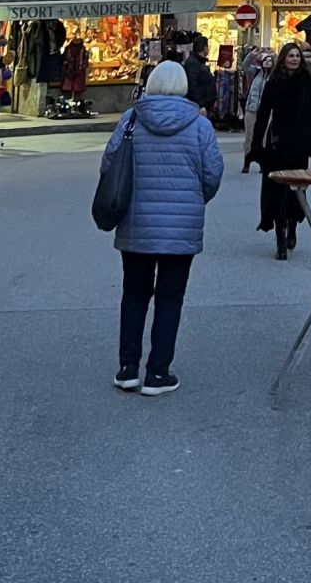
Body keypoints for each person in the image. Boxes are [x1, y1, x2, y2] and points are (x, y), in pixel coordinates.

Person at [98, 59, 223, 396]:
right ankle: (158, 372)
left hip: (135, 223)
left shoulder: (131, 120)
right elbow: (212, 175)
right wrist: (192, 202)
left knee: (134, 294)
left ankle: (127, 368)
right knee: (170, 298)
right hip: (181, 226)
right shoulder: (199, 126)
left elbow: (109, 164)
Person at [250, 43, 311, 258]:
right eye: (290, 56)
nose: (294, 59)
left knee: (296, 191)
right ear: (283, 58)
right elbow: (263, 114)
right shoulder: (274, 83)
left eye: (297, 56)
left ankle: (293, 223)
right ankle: (280, 237)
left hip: (299, 145)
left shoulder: (308, 84)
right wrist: (256, 145)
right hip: (277, 144)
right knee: (275, 192)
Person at [241, 50, 271, 173]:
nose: (268, 63)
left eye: (270, 61)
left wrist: (273, 54)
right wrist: (253, 54)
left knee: (264, 137)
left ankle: (262, 162)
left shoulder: (274, 76)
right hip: (252, 109)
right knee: (249, 136)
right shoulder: (256, 72)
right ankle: (247, 161)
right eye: (266, 60)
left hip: (267, 111)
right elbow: (246, 65)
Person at [184, 35, 217, 115]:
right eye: (207, 46)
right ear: (204, 47)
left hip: (205, 106)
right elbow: (192, 86)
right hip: (199, 108)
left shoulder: (198, 63)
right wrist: (201, 105)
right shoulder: (193, 63)